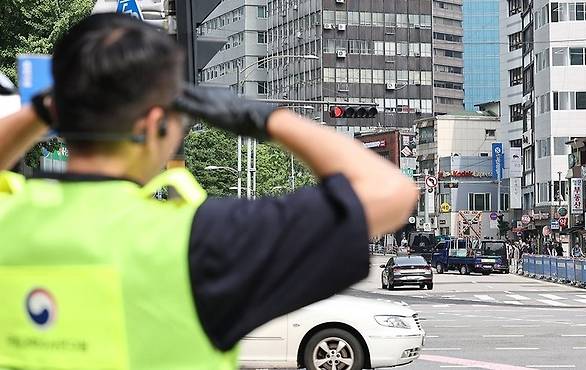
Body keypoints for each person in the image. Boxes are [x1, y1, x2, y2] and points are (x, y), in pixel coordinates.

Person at [0, 14, 418, 369]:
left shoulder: (9, 215)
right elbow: (391, 192)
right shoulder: (204, 239)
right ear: (154, 124)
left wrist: (44, 109)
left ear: (58, 110)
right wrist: (261, 117)